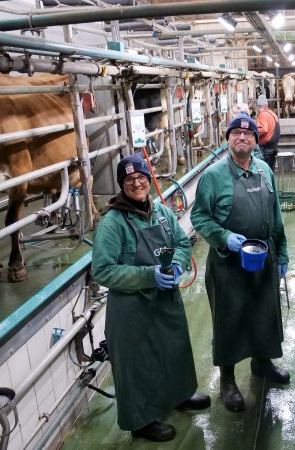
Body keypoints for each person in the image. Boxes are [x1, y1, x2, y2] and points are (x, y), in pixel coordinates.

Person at [92, 154, 210, 442]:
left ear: (148, 178)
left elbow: (182, 243)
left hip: (165, 298)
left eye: (142, 177)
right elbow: (103, 270)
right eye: (129, 179)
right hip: (132, 309)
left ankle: (179, 394)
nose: (137, 183)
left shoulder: (161, 212)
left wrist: (180, 264)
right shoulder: (112, 223)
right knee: (137, 362)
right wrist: (148, 275)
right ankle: (140, 420)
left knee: (174, 348)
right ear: (122, 185)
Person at [191, 113, 290, 412]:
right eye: (236, 133)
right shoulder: (213, 176)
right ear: (228, 139)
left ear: (255, 140)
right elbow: (199, 217)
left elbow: (276, 217)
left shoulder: (264, 171)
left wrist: (281, 252)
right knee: (229, 319)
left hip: (263, 259)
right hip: (228, 263)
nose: (242, 137)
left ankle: (262, 363)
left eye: (248, 134)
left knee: (263, 313)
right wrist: (223, 237)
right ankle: (228, 381)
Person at [256, 94, 280, 171]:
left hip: (266, 149)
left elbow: (263, 129)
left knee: (264, 173)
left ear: (259, 106)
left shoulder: (262, 114)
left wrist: (253, 134)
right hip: (274, 148)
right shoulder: (273, 114)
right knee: (271, 172)